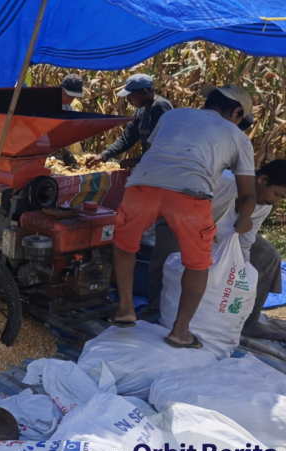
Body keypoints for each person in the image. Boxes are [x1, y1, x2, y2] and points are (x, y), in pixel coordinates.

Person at [109, 83, 257, 349]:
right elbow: (248, 195)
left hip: (143, 185)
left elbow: (154, 151)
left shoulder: (171, 115)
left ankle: (125, 309)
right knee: (197, 264)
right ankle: (180, 332)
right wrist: (244, 220)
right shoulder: (238, 137)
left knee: (124, 244)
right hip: (190, 195)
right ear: (236, 112)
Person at [142, 160, 286, 342]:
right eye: (277, 194)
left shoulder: (264, 205)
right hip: (184, 228)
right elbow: (178, 208)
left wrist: (237, 272)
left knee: (268, 254)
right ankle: (156, 308)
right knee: (171, 246)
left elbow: (245, 241)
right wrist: (203, 235)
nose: (276, 201)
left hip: (225, 241)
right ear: (263, 180)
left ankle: (249, 323)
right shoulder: (222, 182)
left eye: (281, 199)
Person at [86, 74, 172, 169]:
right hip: (150, 164)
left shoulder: (160, 107)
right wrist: (103, 156)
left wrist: (137, 161)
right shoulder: (141, 110)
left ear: (144, 92)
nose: (128, 100)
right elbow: (126, 139)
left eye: (131, 96)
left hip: (164, 167)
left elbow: (166, 145)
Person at [60, 73, 85, 158]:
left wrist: (67, 153)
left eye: (74, 96)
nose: (72, 99)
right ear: (61, 89)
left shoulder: (68, 108)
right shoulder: (45, 105)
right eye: (69, 95)